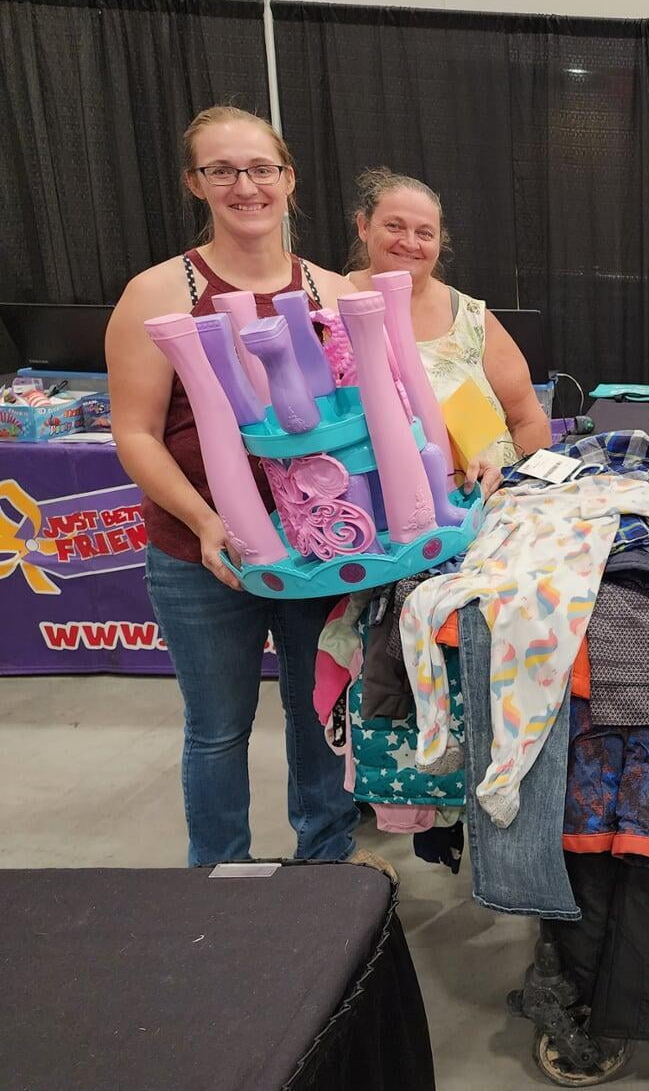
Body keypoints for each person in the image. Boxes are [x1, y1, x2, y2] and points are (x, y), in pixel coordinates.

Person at [106, 106, 360, 867]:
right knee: (217, 727)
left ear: (289, 178)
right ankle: (220, 875)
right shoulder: (156, 295)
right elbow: (136, 433)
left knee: (321, 712)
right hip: (200, 554)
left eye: (260, 168)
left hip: (319, 551)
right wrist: (205, 520)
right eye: (222, 170)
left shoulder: (335, 292)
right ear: (195, 183)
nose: (244, 186)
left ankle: (327, 866)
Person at [346, 168, 550, 490]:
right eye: (394, 226)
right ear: (363, 227)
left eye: (425, 233)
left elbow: (529, 418)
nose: (410, 243)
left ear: (440, 242)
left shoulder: (471, 318)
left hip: (496, 504)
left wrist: (519, 488)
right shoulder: (333, 308)